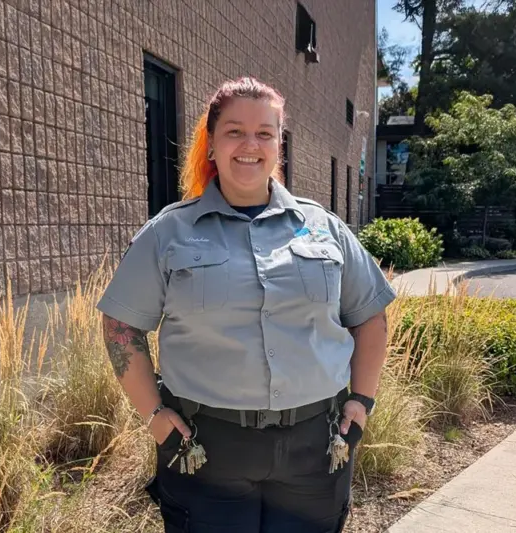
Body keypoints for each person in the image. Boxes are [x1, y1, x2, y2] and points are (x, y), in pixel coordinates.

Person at [97, 77, 396, 533]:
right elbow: (120, 324)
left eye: (264, 133)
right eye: (234, 131)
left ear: (279, 146)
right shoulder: (168, 233)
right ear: (212, 145)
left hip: (316, 448)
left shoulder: (326, 229)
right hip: (204, 449)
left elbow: (370, 315)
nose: (249, 145)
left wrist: (362, 400)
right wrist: (155, 416)